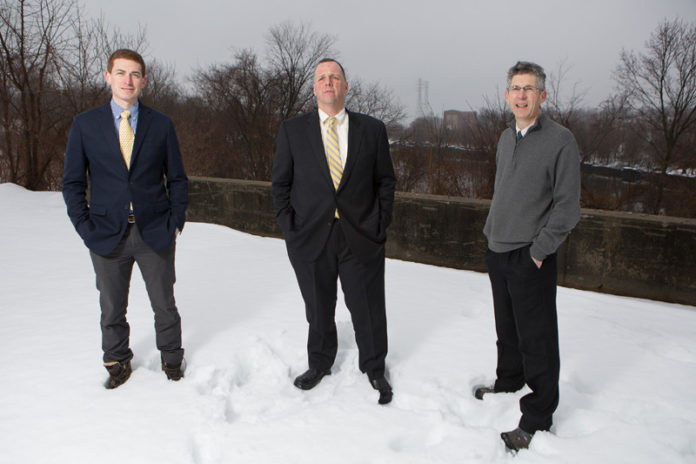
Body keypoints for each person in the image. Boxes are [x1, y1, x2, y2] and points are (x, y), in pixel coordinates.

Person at [272, 58, 396, 405]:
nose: (329, 82)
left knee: (368, 306)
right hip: (310, 236)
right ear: (314, 88)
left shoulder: (372, 130)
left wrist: (379, 223)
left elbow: (385, 180)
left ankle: (374, 367)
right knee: (318, 307)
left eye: (335, 77)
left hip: (361, 236)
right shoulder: (293, 131)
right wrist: (290, 227)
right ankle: (320, 363)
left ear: (345, 86)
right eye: (322, 78)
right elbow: (280, 184)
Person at [62, 49, 188, 389]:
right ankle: (117, 362)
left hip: (155, 231)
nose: (127, 80)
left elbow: (176, 178)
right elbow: (73, 182)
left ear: (143, 81)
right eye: (120, 73)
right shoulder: (85, 125)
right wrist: (85, 227)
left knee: (164, 302)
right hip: (105, 233)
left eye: (134, 74)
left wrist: (175, 220)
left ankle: (172, 359)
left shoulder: (160, 125)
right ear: (108, 77)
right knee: (112, 305)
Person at [475, 61, 581, 451]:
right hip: (497, 249)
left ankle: (537, 415)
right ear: (507, 95)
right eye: (515, 88)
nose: (521, 95)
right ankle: (508, 380)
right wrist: (491, 236)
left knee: (537, 338)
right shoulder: (506, 137)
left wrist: (538, 252)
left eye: (529, 89)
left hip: (529, 256)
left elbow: (568, 208)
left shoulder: (561, 141)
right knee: (508, 329)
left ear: (542, 95)